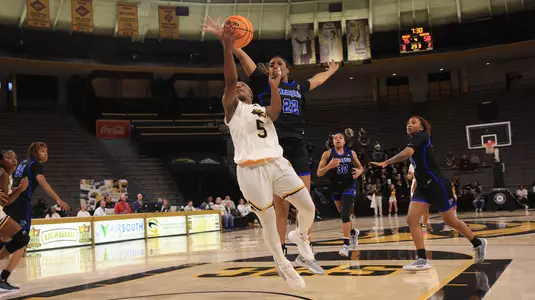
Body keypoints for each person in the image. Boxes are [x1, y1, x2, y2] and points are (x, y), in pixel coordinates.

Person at [201, 16, 339, 268]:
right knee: (281, 207)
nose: (274, 65)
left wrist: (330, 70)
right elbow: (240, 56)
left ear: (287, 70)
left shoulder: (297, 87)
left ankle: (305, 248)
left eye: (279, 63)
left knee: (305, 201)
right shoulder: (263, 82)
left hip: (297, 144)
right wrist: (224, 37)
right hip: (275, 148)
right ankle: (282, 251)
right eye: (272, 63)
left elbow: (317, 80)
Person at [371, 116, 487, 270]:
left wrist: (387, 162)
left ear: (421, 127)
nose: (409, 125)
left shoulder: (421, 136)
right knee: (412, 220)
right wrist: (417, 182)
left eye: (413, 123)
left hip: (437, 185)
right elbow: (420, 165)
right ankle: (422, 259)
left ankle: (478, 243)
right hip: (422, 187)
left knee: (450, 221)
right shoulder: (415, 140)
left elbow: (406, 154)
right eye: (407, 123)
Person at [4, 143, 69, 287]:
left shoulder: (22, 163)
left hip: (11, 202)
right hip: (21, 204)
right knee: (22, 240)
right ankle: (3, 277)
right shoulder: (35, 165)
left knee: (8, 237)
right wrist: (58, 199)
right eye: (42, 151)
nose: (46, 153)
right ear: (34, 152)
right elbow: (43, 183)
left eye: (47, 151)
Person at [316, 133, 363, 257]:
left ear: (344, 141)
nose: (337, 139)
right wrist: (329, 166)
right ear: (332, 141)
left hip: (349, 185)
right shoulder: (327, 154)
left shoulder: (351, 153)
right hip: (335, 186)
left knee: (344, 214)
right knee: (343, 214)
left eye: (340, 137)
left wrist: (359, 171)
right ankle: (353, 232)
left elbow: (360, 167)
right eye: (335, 138)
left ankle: (345, 245)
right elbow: (319, 173)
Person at [0, 150, 32, 291]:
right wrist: (21, 189)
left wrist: (19, 189)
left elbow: (5, 201)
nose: (13, 160)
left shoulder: (7, 175)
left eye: (15, 157)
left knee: (14, 238)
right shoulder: (2, 174)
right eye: (8, 157)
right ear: (1, 160)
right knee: (22, 238)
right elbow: (6, 201)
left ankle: (2, 278)